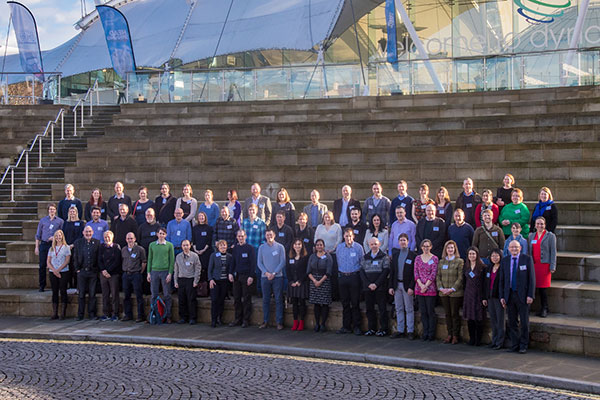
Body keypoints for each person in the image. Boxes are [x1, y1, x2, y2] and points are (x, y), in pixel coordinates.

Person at [499, 240, 535, 353]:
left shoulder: (527, 259)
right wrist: (502, 296)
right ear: (508, 249)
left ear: (520, 248)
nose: (514, 249)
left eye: (516, 247)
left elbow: (532, 279)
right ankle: (515, 344)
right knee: (512, 322)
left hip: (523, 295)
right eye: (512, 247)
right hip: (509, 295)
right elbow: (502, 280)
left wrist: (530, 295)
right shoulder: (505, 261)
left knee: (524, 322)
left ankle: (524, 345)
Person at [335, 228, 365, 335]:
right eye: (346, 236)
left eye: (350, 236)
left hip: (354, 277)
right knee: (345, 303)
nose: (348, 238)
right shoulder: (339, 248)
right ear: (344, 236)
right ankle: (346, 326)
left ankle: (357, 326)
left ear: (353, 236)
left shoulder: (358, 248)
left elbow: (362, 263)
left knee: (355, 303)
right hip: (342, 277)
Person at [360, 237, 390, 336]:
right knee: (369, 309)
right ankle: (371, 328)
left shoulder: (384, 257)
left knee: (382, 309)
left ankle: (383, 329)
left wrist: (376, 284)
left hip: (380, 287)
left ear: (379, 244)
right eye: (372, 244)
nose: (373, 246)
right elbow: (362, 271)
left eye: (375, 244)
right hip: (368, 287)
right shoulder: (365, 257)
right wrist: (369, 284)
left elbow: (385, 271)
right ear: (369, 245)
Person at [257, 229, 286, 330]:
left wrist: (274, 273)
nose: (269, 236)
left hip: (277, 277)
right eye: (267, 235)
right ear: (265, 236)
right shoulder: (261, 248)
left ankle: (279, 322)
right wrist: (266, 273)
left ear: (274, 235)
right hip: (265, 277)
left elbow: (282, 262)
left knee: (278, 299)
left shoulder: (280, 247)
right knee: (265, 300)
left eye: (271, 234)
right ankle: (265, 321)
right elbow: (259, 263)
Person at [436, 240, 464, 345]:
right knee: (447, 314)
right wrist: (441, 288)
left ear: (455, 249)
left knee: (454, 314)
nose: (450, 250)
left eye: (452, 248)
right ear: (445, 250)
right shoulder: (441, 261)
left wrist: (452, 289)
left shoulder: (459, 261)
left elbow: (460, 278)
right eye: (448, 248)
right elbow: (438, 276)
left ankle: (455, 335)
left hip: (455, 293)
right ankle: (449, 334)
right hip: (443, 292)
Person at [389, 233, 416, 339]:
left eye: (404, 240)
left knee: (409, 308)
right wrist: (391, 286)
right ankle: (400, 330)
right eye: (401, 240)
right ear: (398, 242)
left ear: (408, 242)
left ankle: (410, 331)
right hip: (397, 285)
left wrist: (411, 287)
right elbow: (392, 272)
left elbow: (415, 273)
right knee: (399, 308)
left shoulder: (413, 255)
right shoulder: (395, 255)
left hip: (407, 286)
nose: (402, 242)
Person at [529, 217, 557, 318]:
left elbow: (553, 252)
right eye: (538, 224)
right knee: (533, 287)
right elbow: (529, 252)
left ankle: (545, 308)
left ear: (545, 225)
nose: (539, 226)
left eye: (542, 224)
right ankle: (535, 308)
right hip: (534, 265)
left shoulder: (550, 236)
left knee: (543, 289)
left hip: (544, 265)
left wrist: (552, 266)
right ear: (535, 225)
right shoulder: (531, 236)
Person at [147, 227, 174, 324]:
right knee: (154, 294)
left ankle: (168, 316)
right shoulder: (152, 245)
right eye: (160, 233)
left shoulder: (169, 245)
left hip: (165, 271)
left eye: (163, 233)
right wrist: (148, 273)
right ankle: (153, 314)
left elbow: (172, 260)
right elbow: (149, 259)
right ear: (157, 234)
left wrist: (170, 273)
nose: (161, 235)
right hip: (154, 271)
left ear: (165, 235)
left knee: (167, 294)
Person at [73, 226, 101, 320]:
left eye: (89, 231)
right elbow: (75, 257)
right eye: (86, 232)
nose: (88, 233)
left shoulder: (97, 243)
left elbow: (98, 257)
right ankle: (80, 314)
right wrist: (77, 269)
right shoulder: (78, 242)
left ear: (92, 232)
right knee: (81, 294)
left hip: (93, 272)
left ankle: (92, 314)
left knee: (92, 294)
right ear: (83, 232)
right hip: (82, 272)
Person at [229, 230, 256, 327]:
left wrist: (251, 276)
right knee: (236, 298)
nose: (240, 238)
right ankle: (237, 319)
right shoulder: (235, 248)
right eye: (239, 236)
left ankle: (246, 320)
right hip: (237, 276)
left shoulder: (250, 248)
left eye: (242, 236)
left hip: (246, 276)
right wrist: (230, 273)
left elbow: (253, 263)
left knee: (246, 298)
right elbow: (233, 261)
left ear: (245, 237)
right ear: (237, 237)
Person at [35, 203, 64, 292]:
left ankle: (57, 285)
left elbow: (62, 234)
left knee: (56, 264)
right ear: (48, 210)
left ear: (55, 210)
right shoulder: (43, 221)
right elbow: (38, 235)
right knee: (42, 265)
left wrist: (55, 238)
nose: (52, 211)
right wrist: (36, 247)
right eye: (50, 209)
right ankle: (42, 285)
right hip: (44, 244)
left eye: (53, 209)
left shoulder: (60, 221)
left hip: (55, 245)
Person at [307, 239, 333, 332]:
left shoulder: (328, 257)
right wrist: (314, 281)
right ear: (315, 246)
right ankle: (317, 323)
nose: (319, 246)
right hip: (314, 282)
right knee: (316, 304)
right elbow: (308, 271)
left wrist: (320, 281)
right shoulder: (312, 256)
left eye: (321, 245)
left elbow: (329, 271)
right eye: (317, 245)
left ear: (324, 246)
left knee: (325, 304)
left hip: (324, 281)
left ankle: (323, 324)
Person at [414, 239, 438, 341]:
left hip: (430, 289)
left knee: (430, 312)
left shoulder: (435, 258)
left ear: (431, 247)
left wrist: (426, 286)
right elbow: (416, 272)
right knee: (423, 312)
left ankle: (431, 333)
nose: (426, 248)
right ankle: (425, 332)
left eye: (428, 246)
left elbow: (433, 273)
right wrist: (420, 285)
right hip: (419, 289)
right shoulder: (418, 258)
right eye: (424, 246)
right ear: (421, 247)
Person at [121, 232, 147, 322]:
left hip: (136, 274)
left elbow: (144, 262)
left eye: (131, 238)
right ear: (126, 239)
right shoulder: (123, 249)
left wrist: (140, 272)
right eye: (128, 238)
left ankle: (140, 315)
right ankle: (128, 315)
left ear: (135, 239)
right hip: (126, 274)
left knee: (139, 295)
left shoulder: (140, 249)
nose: (130, 240)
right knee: (126, 296)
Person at [463, 246, 486, 346]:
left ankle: (478, 340)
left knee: (479, 318)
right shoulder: (466, 266)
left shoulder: (482, 267)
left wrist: (484, 297)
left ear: (477, 255)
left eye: (473, 254)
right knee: (470, 319)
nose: (471, 256)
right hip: (469, 294)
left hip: (478, 294)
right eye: (470, 254)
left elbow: (485, 283)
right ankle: (471, 338)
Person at [175, 239, 202, 325]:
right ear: (181, 246)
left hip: (191, 279)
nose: (185, 247)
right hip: (181, 279)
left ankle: (192, 318)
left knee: (191, 300)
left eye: (187, 245)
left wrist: (196, 281)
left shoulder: (195, 256)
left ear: (190, 245)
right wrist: (175, 281)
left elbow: (198, 269)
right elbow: (176, 270)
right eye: (184, 245)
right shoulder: (178, 256)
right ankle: (183, 317)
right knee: (182, 300)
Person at [241, 204, 266, 291]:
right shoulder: (244, 222)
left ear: (257, 211)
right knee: (247, 269)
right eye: (250, 210)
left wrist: (260, 249)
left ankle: (259, 290)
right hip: (246, 249)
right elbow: (241, 236)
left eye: (253, 210)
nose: (251, 212)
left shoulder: (261, 223)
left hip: (257, 250)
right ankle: (248, 290)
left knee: (258, 270)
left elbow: (263, 238)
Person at [46, 230, 71, 320]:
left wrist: (59, 270)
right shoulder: (51, 248)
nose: (58, 237)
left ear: (62, 236)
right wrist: (54, 270)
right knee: (54, 291)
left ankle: (63, 313)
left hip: (63, 271)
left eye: (59, 236)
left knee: (63, 291)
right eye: (56, 236)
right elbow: (48, 262)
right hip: (53, 272)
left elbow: (67, 260)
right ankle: (55, 312)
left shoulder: (66, 247)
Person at [483, 249, 504, 350]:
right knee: (493, 320)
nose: (494, 258)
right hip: (490, 297)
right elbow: (486, 284)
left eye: (496, 256)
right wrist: (485, 297)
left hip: (499, 298)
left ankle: (500, 342)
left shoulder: (503, 268)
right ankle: (494, 340)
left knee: (500, 320)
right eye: (492, 256)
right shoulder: (489, 268)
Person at [208, 240, 232, 327]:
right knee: (214, 300)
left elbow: (231, 268)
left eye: (224, 245)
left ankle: (219, 318)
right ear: (218, 247)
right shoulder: (213, 255)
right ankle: (213, 320)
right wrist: (210, 279)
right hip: (215, 281)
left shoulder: (229, 256)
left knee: (221, 301)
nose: (223, 247)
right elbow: (210, 269)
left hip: (224, 282)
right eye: (221, 246)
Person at [287, 239, 310, 331]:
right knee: (294, 304)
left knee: (302, 303)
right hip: (293, 284)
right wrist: (291, 281)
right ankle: (295, 321)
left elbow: (307, 271)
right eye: (296, 244)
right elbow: (288, 270)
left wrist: (300, 281)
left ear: (302, 246)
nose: (297, 246)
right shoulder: (290, 257)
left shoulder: (305, 257)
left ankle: (301, 322)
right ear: (293, 246)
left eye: (299, 244)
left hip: (302, 283)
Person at [98, 230, 122, 321]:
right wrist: (103, 271)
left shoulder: (116, 247)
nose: (107, 238)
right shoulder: (101, 247)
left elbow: (117, 261)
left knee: (114, 294)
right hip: (103, 274)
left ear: (112, 237)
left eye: (108, 237)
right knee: (105, 294)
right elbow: (99, 260)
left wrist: (109, 271)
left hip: (113, 274)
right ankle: (106, 313)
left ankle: (115, 313)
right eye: (105, 237)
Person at [63, 206, 84, 290]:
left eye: (74, 212)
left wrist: (73, 245)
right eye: (71, 212)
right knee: (68, 266)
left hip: (76, 248)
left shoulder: (81, 223)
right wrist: (67, 245)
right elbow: (63, 234)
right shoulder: (66, 223)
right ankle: (69, 284)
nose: (72, 213)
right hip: (66, 248)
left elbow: (80, 236)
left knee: (75, 266)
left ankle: (76, 285)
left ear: (76, 213)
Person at [192, 212, 213, 288]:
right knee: (197, 269)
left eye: (202, 216)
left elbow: (209, 240)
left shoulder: (209, 228)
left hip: (206, 251)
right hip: (196, 251)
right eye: (199, 216)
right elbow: (193, 240)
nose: (201, 218)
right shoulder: (194, 228)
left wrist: (203, 250)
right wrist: (195, 250)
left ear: (205, 218)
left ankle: (206, 288)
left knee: (205, 268)